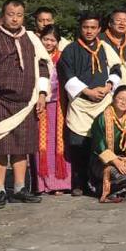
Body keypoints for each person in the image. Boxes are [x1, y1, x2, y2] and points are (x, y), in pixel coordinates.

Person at [0, 0, 51, 207]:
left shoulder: (31, 39)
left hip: (26, 102)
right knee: (0, 147)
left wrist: (42, 94)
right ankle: (0, 190)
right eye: (11, 14)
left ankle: (20, 188)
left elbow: (43, 65)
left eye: (19, 15)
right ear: (2, 16)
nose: (15, 18)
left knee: (22, 147)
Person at [59, 12, 123, 196]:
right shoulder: (70, 50)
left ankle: (97, 180)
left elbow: (117, 68)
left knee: (100, 142)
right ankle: (78, 182)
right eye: (86, 27)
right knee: (78, 144)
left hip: (102, 103)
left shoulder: (105, 47)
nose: (89, 31)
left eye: (93, 27)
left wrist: (109, 85)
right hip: (81, 103)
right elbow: (67, 74)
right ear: (80, 28)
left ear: (99, 29)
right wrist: (87, 91)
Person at [89, 86, 126, 203]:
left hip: (124, 157)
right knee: (120, 174)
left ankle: (123, 192)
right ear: (113, 98)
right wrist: (116, 161)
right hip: (103, 161)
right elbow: (99, 146)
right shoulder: (101, 119)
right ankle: (104, 190)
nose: (123, 102)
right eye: (120, 98)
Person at [35, 25, 71, 195]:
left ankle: (60, 183)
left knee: (59, 141)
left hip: (60, 104)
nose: (49, 43)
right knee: (41, 143)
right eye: (46, 39)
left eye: (52, 40)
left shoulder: (62, 57)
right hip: (40, 103)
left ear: (57, 42)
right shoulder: (35, 55)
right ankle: (42, 183)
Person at [103, 9, 126, 99]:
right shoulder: (100, 41)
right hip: (106, 89)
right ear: (110, 23)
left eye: (125, 21)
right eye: (118, 20)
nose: (122, 23)